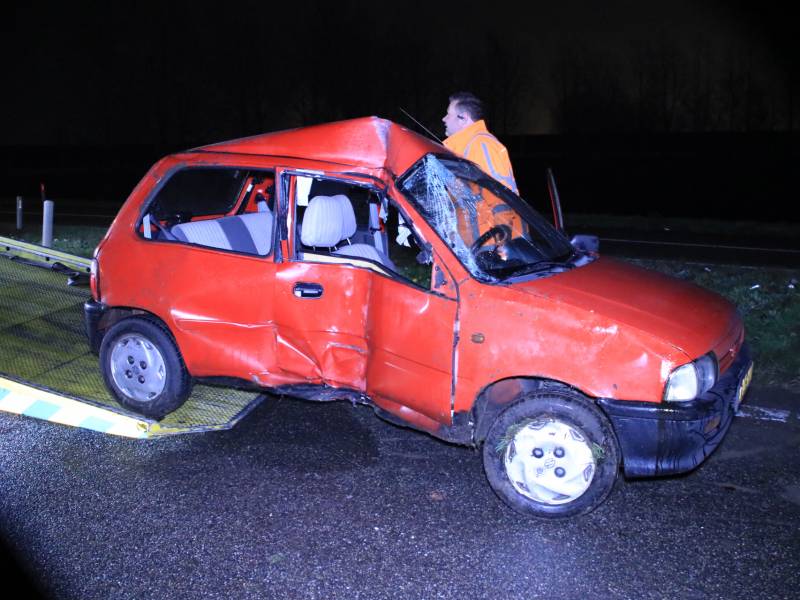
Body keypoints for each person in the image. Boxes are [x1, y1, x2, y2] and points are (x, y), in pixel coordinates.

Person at [442, 91, 518, 194]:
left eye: (448, 114)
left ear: (463, 118)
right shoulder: (470, 146)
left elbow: (498, 198)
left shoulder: (482, 145)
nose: (444, 119)